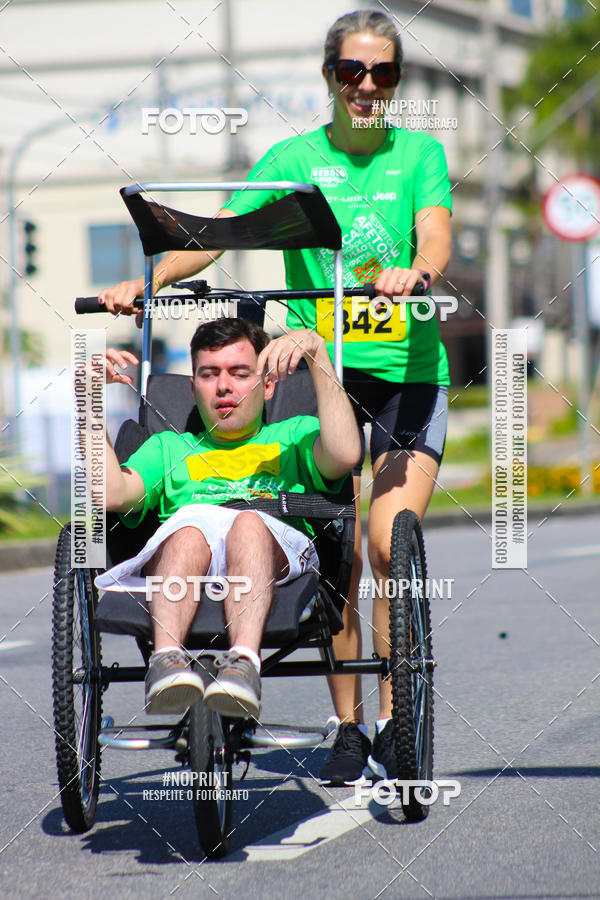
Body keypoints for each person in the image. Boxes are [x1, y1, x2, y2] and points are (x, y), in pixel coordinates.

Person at [99, 9, 452, 783]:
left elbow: (434, 237)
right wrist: (146, 279)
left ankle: (393, 714)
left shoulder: (420, 153)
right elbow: (217, 233)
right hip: (317, 372)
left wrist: (412, 276)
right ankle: (347, 724)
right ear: (330, 77)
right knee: (340, 555)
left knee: (389, 545)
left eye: (383, 73)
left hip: (404, 379)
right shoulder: (292, 158)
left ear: (395, 82)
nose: (367, 86)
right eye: (353, 71)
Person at [95, 318, 361, 719]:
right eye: (209, 374)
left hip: (274, 559)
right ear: (193, 387)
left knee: (247, 522)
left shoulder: (293, 435)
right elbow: (112, 494)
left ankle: (243, 665)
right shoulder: (168, 447)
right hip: (187, 561)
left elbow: (344, 456)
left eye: (240, 373)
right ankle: (166, 661)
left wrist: (318, 354)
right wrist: (86, 397)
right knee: (187, 531)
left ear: (268, 385)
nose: (224, 386)